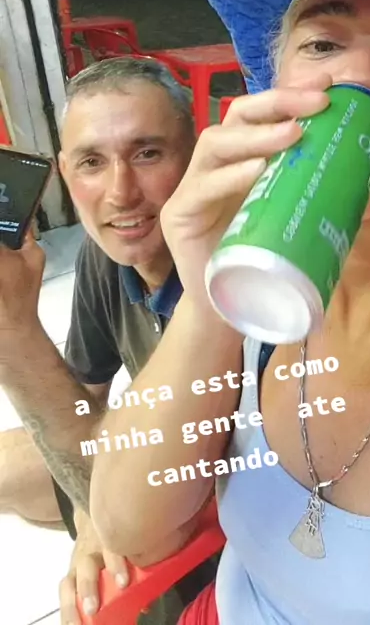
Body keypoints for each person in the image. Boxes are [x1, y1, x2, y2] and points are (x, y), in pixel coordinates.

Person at [89, 0, 370, 624]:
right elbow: (134, 528)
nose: (358, 75)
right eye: (323, 43)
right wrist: (208, 292)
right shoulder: (249, 280)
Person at [0, 57, 216, 624]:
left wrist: (14, 336)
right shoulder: (107, 254)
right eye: (92, 162)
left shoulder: (230, 270)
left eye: (147, 153)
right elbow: (83, 404)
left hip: (208, 491)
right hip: (138, 445)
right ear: (64, 175)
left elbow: (173, 505)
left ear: (195, 156)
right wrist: (87, 513)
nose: (121, 194)